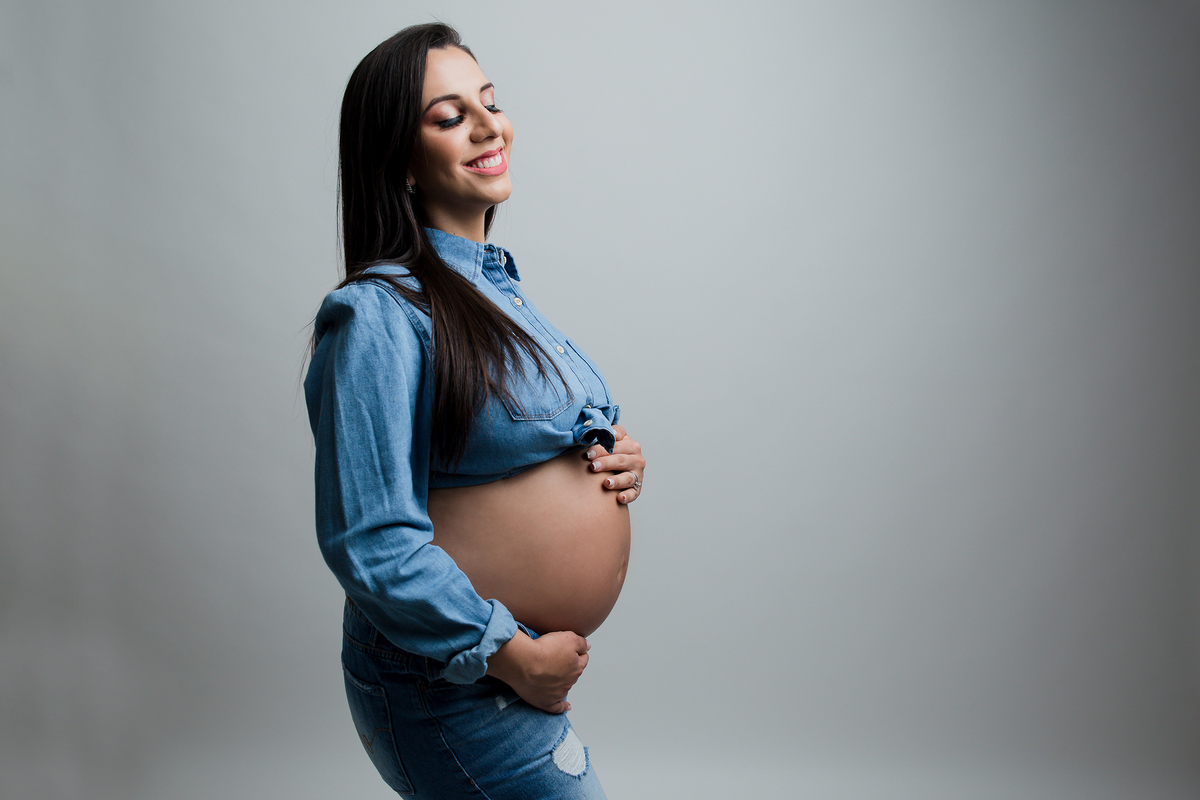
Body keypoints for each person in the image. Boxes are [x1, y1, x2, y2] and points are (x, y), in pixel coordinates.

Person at [304, 22, 644, 798]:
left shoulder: (495, 290)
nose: (490, 126)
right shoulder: (375, 316)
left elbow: (527, 437)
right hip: (450, 675)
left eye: (490, 102)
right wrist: (511, 656)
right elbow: (372, 539)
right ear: (400, 158)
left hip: (499, 667)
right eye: (451, 116)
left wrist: (614, 457)